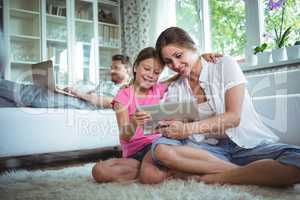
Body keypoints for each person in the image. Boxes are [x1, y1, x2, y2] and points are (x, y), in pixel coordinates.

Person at [150, 27, 300, 187]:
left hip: (246, 144)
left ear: (193, 47)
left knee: (295, 161)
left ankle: (209, 178)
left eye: (179, 56)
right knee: (160, 149)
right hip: (208, 150)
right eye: (168, 62)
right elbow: (176, 123)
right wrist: (169, 126)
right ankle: (250, 173)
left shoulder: (224, 65)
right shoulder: (176, 87)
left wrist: (186, 129)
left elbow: (233, 118)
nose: (176, 64)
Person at [91, 47, 225, 184]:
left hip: (158, 146)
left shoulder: (157, 89)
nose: (151, 75)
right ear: (136, 67)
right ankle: (169, 170)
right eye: (147, 69)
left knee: (150, 175)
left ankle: (157, 170)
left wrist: (200, 59)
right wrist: (134, 122)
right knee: (99, 171)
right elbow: (125, 135)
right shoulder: (123, 96)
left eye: (156, 72)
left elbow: (178, 74)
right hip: (134, 155)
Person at [0, 54, 131, 109]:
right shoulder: (108, 83)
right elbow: (92, 92)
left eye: (116, 68)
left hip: (84, 105)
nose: (111, 71)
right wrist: (68, 90)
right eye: (111, 67)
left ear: (128, 70)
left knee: (37, 94)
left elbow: (109, 102)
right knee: (40, 92)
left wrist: (78, 94)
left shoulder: (126, 88)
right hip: (80, 99)